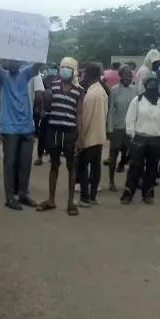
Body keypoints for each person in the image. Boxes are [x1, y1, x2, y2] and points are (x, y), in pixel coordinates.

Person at [36, 57, 84, 215]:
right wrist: (46, 99)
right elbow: (47, 107)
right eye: (62, 68)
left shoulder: (79, 90)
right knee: (54, 165)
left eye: (68, 68)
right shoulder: (53, 85)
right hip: (54, 129)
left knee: (72, 166)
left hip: (70, 131)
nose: (64, 71)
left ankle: (70, 203)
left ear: (74, 71)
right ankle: (51, 200)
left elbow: (79, 114)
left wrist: (79, 137)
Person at [0, 59, 40, 211]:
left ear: (20, 63)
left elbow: (38, 65)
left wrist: (45, 45)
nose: (13, 64)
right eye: (10, 61)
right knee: (10, 163)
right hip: (9, 127)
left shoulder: (25, 74)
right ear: (6, 63)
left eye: (16, 61)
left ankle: (23, 193)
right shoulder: (2, 76)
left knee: (25, 163)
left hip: (26, 126)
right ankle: (10, 197)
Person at [121, 74, 160, 205]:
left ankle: (148, 193)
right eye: (150, 87)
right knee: (135, 167)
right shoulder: (137, 101)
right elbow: (130, 120)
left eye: (155, 87)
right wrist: (131, 135)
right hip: (139, 139)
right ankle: (128, 192)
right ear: (145, 87)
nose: (152, 90)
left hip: (155, 140)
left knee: (152, 168)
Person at [77, 63, 108, 207]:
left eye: (84, 74)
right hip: (99, 135)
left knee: (83, 167)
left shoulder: (91, 94)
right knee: (96, 167)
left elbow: (86, 118)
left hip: (89, 136)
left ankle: (84, 197)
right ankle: (93, 196)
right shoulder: (102, 91)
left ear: (88, 75)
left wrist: (80, 137)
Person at [106, 66, 137, 190]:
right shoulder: (114, 90)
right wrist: (109, 128)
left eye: (130, 76)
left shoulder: (135, 91)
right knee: (113, 154)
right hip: (117, 127)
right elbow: (110, 111)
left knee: (133, 156)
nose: (127, 78)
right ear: (120, 76)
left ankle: (132, 182)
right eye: (125, 75)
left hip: (131, 128)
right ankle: (111, 181)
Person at [34, 63, 59, 166]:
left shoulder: (60, 82)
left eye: (54, 68)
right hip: (45, 113)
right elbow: (39, 95)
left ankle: (53, 157)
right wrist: (39, 109)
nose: (52, 70)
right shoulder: (44, 80)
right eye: (51, 68)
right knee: (42, 135)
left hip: (56, 113)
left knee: (54, 137)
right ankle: (39, 157)